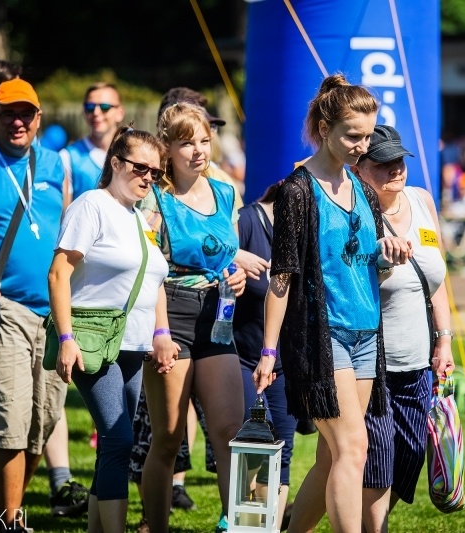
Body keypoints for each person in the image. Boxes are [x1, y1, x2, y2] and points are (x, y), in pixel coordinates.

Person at [252, 74, 412, 533]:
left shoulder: (363, 189)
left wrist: (388, 254)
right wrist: (268, 351)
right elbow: (281, 277)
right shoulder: (298, 191)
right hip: (322, 339)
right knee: (352, 447)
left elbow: (365, 259)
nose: (363, 146)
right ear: (325, 130)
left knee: (331, 455)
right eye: (353, 135)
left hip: (366, 335)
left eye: (368, 135)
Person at [0, 62, 87, 517]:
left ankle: (12, 507)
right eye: (8, 113)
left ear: (39, 117)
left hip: (52, 314)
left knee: (42, 422)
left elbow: (62, 231)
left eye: (27, 113)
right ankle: (9, 520)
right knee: (10, 421)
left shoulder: (53, 165)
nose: (18, 121)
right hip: (1, 308)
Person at [48, 126, 178, 533]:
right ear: (116, 163)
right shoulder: (92, 205)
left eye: (155, 172)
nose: (148, 177)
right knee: (120, 440)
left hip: (133, 343)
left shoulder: (139, 217)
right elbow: (58, 274)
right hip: (92, 339)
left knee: (113, 443)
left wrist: (161, 333)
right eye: (140, 167)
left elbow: (153, 278)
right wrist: (66, 339)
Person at [138, 101, 247, 533]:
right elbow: (147, 268)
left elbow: (227, 252)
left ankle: (237, 523)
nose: (199, 151)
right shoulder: (154, 197)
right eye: (187, 143)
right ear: (167, 147)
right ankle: (156, 525)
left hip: (217, 315)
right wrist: (160, 331)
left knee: (230, 431)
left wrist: (235, 275)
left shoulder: (224, 192)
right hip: (170, 313)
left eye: (204, 140)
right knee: (167, 438)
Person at [351, 124, 456, 532]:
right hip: (369, 361)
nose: (396, 169)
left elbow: (438, 279)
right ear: (360, 168)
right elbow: (344, 285)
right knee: (377, 462)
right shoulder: (353, 211)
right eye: (384, 163)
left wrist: (444, 341)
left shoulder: (423, 201)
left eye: (400, 160)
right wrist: (379, 261)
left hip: (418, 361)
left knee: (410, 456)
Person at [234, 180, 297, 530]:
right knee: (254, 449)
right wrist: (234, 272)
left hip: (285, 364)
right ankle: (244, 522)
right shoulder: (247, 221)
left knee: (283, 451)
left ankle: (269, 526)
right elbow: (219, 266)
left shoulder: (304, 233)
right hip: (242, 356)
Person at [60, 83, 125, 200]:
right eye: (90, 107)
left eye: (104, 107)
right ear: (84, 112)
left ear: (119, 113)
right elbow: (66, 213)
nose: (96, 112)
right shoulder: (67, 157)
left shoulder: (133, 155)